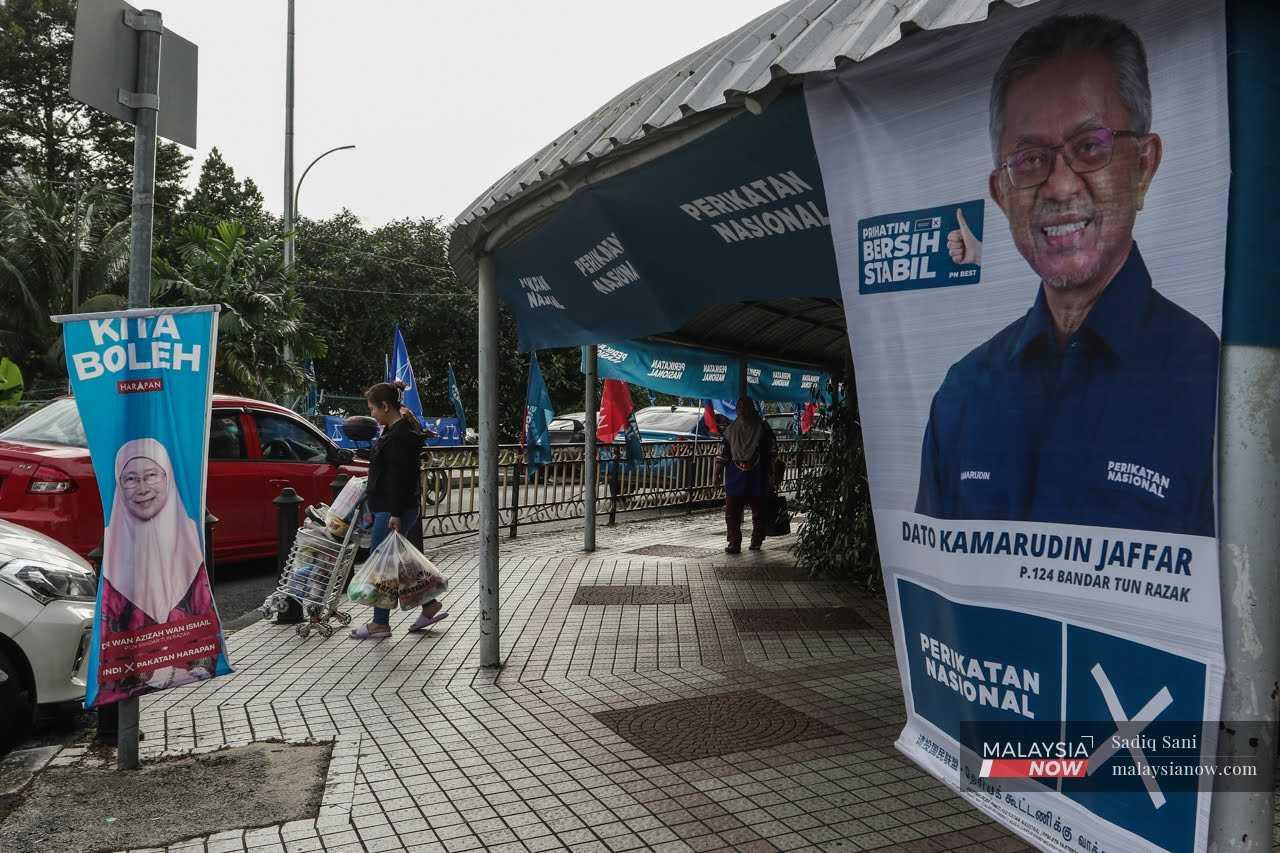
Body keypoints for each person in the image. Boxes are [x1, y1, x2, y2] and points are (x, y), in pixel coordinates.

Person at [915, 14, 1218, 537]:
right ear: (1002, 194)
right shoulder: (963, 396)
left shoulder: (1216, 388)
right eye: (1030, 159)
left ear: (1143, 166)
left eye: (1090, 146)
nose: (1058, 186)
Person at [100, 438, 218, 700]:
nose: (142, 488)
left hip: (191, 675)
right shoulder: (113, 548)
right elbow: (108, 635)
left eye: (151, 475)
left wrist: (197, 667)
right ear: (119, 486)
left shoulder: (187, 537)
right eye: (130, 479)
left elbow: (204, 618)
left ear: (167, 478)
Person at [350, 381, 449, 639]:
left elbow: (398, 479)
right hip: (393, 507)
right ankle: (429, 605)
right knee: (399, 561)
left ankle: (380, 623)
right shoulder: (394, 432)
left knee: (382, 563)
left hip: (392, 509)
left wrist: (394, 513)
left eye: (373, 408)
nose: (371, 414)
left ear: (385, 406)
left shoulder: (398, 436)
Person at [717, 397, 776, 554]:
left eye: (746, 407)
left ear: (752, 408)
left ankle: (757, 540)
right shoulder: (731, 430)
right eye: (739, 407)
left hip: (758, 475)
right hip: (735, 475)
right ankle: (734, 542)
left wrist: (772, 475)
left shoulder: (762, 429)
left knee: (759, 511)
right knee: (731, 512)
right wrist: (716, 474)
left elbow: (771, 452)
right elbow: (723, 453)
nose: (742, 410)